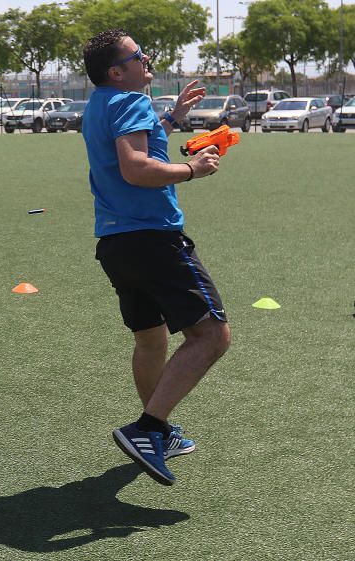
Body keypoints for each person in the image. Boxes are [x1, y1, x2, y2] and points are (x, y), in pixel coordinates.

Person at [81, 29, 231, 486]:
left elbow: (138, 145)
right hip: (153, 241)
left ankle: (159, 432)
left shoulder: (101, 104)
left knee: (151, 340)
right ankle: (147, 429)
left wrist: (174, 117)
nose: (148, 60)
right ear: (117, 70)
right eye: (139, 56)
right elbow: (136, 166)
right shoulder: (131, 102)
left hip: (116, 243)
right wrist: (192, 169)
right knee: (212, 336)